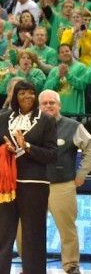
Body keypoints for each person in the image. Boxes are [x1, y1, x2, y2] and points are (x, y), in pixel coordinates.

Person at [0, 80, 57, 274]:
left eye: (31, 92)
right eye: (22, 93)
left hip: (34, 184)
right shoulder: (3, 118)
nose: (27, 96)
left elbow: (52, 154)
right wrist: (6, 149)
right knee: (3, 234)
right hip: (7, 186)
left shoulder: (47, 120)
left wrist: (27, 147)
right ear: (15, 96)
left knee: (33, 236)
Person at [41, 89, 91, 274]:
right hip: (34, 186)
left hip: (62, 185)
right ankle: (30, 264)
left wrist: (81, 174)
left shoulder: (73, 126)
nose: (48, 106)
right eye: (44, 103)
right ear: (39, 106)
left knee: (67, 230)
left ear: (59, 105)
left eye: (52, 102)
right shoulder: (30, 126)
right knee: (26, 229)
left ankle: (71, 266)